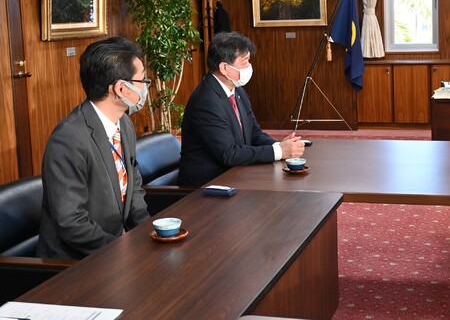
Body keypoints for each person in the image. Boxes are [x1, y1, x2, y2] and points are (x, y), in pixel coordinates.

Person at [38, 37, 150, 260]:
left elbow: (134, 188)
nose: (145, 87)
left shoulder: (124, 123)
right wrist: (124, 250)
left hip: (118, 250)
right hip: (76, 262)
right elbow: (72, 223)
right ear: (120, 88)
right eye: (142, 80)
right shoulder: (68, 139)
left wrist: (147, 235)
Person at [179, 31, 304, 187]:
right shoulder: (206, 102)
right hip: (207, 186)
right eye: (245, 62)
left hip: (234, 175)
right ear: (224, 67)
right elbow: (229, 154)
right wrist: (279, 152)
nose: (249, 67)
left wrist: (278, 146)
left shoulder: (237, 90)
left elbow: (254, 133)